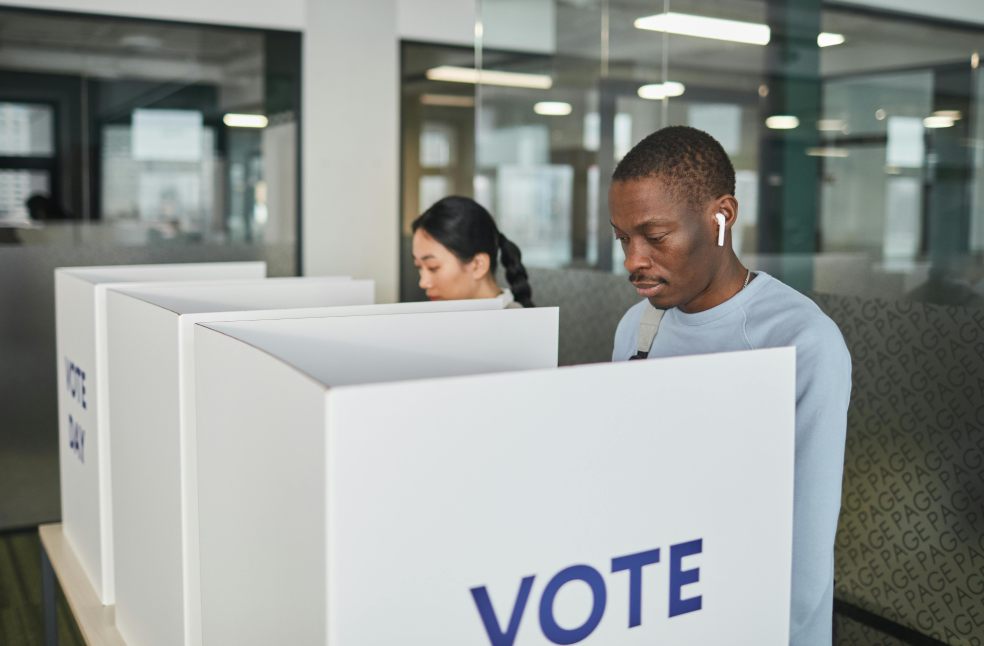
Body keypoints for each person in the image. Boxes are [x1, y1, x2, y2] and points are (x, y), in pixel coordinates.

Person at [610, 126, 851, 645]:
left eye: (654, 237)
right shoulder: (637, 327)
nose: (633, 260)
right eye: (622, 238)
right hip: (661, 608)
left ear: (722, 216)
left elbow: (804, 545)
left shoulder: (800, 341)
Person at [412, 196, 534, 308]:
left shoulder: (519, 327)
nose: (423, 283)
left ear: (478, 265)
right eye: (419, 267)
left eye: (433, 267)